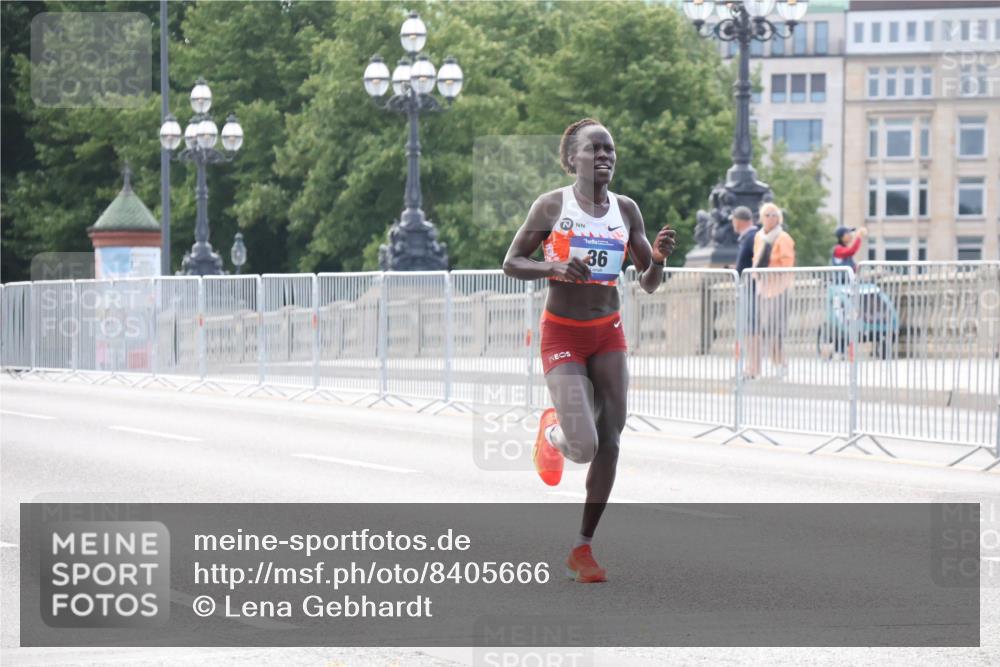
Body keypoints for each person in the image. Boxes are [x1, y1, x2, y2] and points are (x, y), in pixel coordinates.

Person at [502, 118, 676, 584]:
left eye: (610, 150)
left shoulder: (626, 210)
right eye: (594, 149)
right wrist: (554, 265)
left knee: (612, 440)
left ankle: (582, 548)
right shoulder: (552, 205)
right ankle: (554, 433)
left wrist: (656, 260)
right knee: (584, 445)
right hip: (562, 334)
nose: (604, 156)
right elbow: (511, 262)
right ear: (572, 158)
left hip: (608, 333)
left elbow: (648, 283)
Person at [751, 202, 795, 378]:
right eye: (767, 215)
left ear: (779, 218)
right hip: (764, 287)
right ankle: (774, 362)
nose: (771, 218)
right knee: (767, 328)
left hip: (779, 286)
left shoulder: (783, 237)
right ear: (762, 218)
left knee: (777, 329)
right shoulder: (759, 236)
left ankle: (780, 363)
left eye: (774, 215)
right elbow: (756, 258)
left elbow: (787, 262)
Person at [731, 206, 761, 378]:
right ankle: (751, 366)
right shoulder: (749, 237)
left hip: (752, 289)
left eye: (734, 220)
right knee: (750, 330)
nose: (732, 224)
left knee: (752, 330)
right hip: (749, 288)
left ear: (739, 220)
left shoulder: (751, 237)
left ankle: (753, 368)